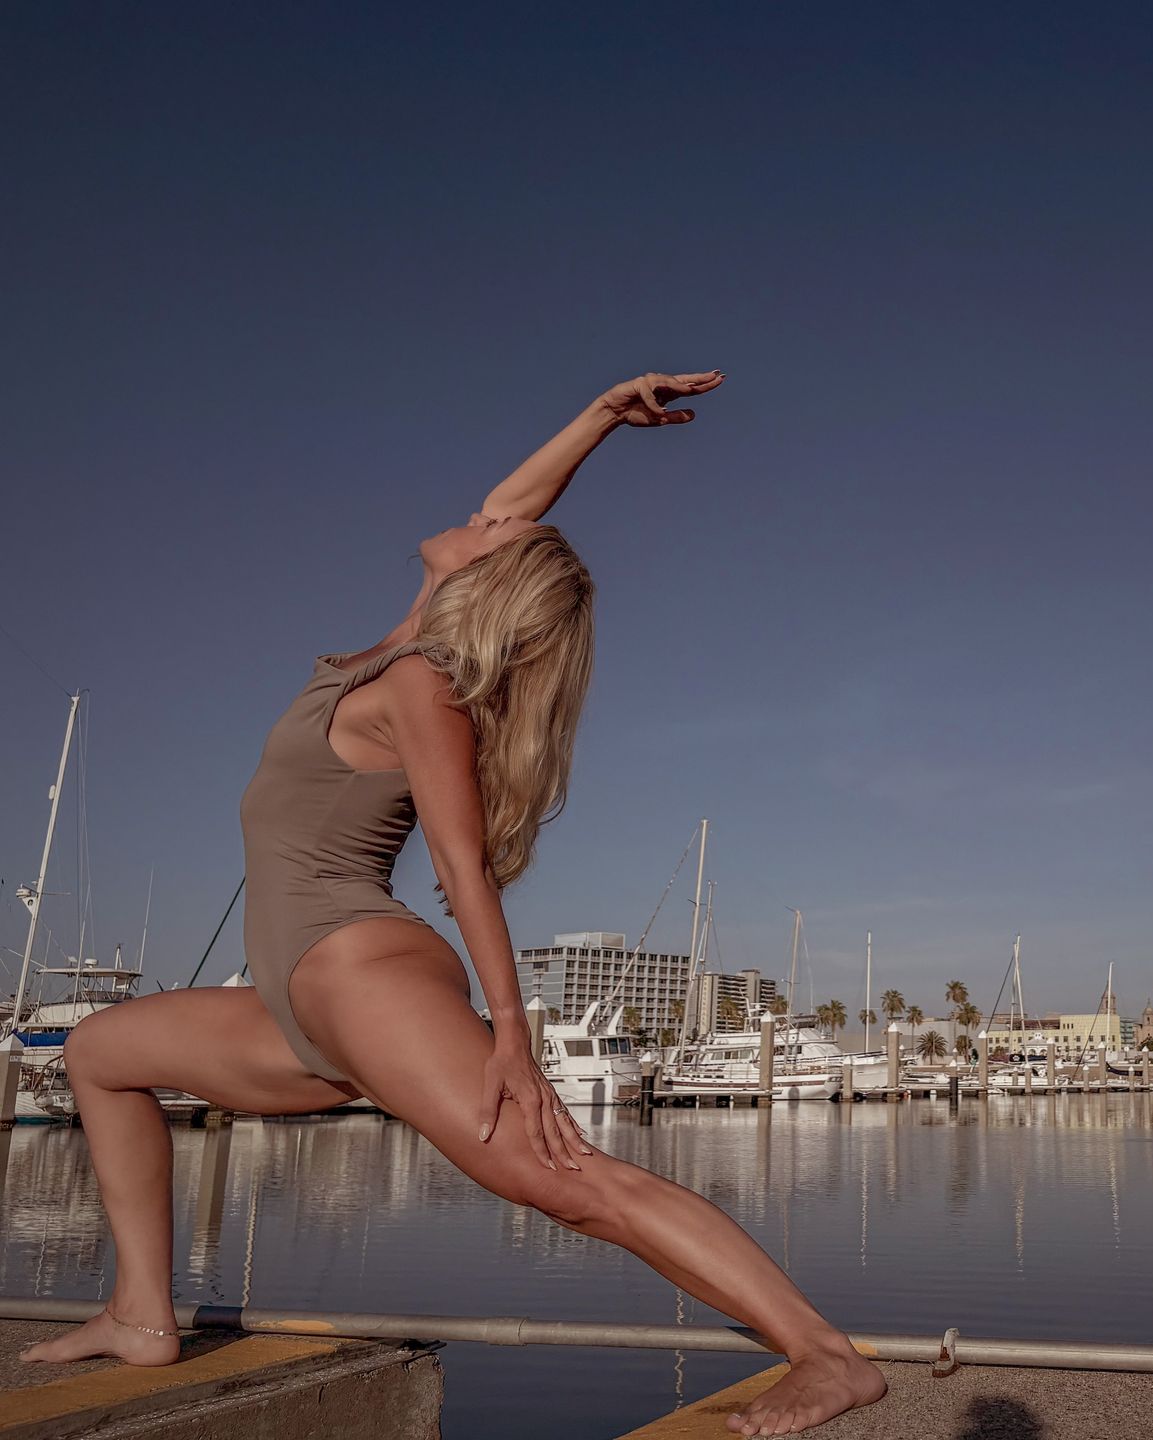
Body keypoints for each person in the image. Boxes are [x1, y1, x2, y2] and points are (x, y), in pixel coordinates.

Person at [21, 372, 887, 1438]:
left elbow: (462, 861)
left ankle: (824, 1354)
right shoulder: (398, 645)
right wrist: (604, 419)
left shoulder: (427, 684)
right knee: (102, 1051)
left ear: (494, 587)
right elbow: (516, 506)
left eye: (493, 532)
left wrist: (512, 1033)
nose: (482, 517)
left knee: (560, 1179)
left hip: (362, 969)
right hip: (306, 996)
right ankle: (141, 1314)